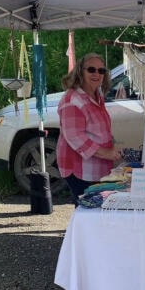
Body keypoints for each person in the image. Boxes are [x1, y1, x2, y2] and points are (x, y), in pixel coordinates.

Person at [57, 53, 122, 205]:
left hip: (97, 167)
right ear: (80, 71)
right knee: (88, 210)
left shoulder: (96, 94)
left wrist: (113, 145)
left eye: (101, 71)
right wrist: (106, 152)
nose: (96, 74)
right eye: (91, 69)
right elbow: (75, 137)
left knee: (96, 212)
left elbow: (101, 129)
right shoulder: (72, 99)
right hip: (80, 169)